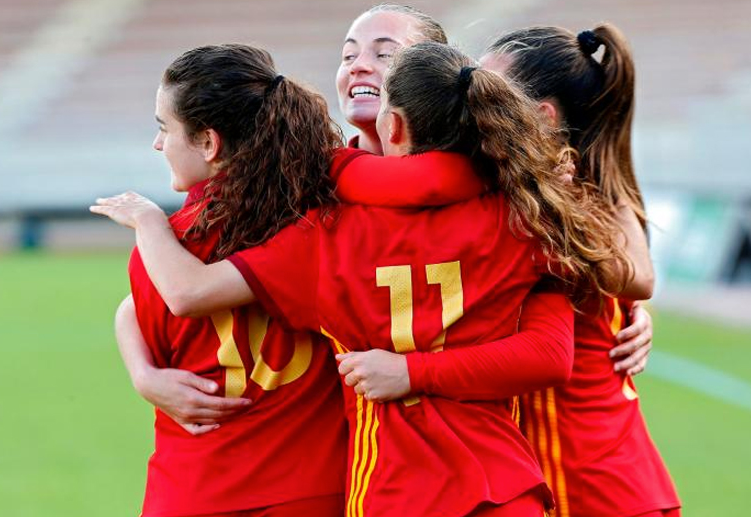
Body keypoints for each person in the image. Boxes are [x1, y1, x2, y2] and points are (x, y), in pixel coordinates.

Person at [93, 40, 628, 516]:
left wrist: (146, 225)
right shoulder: (524, 216)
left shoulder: (323, 228)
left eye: (381, 53)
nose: (359, 67)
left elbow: (184, 293)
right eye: (351, 53)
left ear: (392, 124)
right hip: (507, 483)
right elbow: (570, 333)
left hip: (388, 490)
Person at [114, 44, 354, 517]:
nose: (158, 144)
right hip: (308, 489)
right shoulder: (327, 220)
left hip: (190, 488)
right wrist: (144, 376)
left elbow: (166, 300)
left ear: (208, 142)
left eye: (164, 128)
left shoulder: (167, 248)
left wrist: (148, 224)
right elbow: (135, 307)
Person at [478, 24, 681, 517]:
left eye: (485, 93)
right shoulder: (513, 192)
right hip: (587, 479)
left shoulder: (585, 202)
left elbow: (639, 279)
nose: (471, 104)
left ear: (542, 118)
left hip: (593, 487)